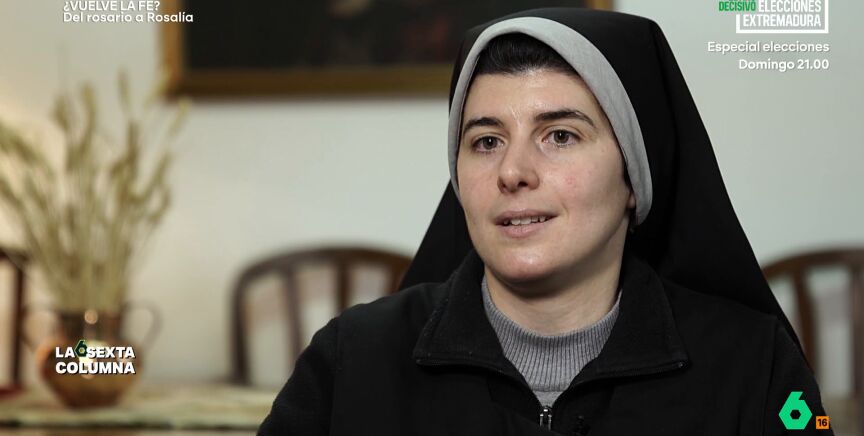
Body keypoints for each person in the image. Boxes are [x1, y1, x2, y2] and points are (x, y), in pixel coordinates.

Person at [258, 7, 832, 435]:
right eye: (486, 141)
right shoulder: (351, 360)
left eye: (560, 136)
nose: (513, 172)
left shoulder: (758, 368)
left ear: (634, 177)